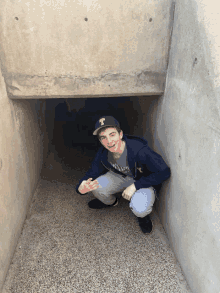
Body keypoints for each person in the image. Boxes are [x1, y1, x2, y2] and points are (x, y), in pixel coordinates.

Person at [76, 116, 171, 234]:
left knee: (140, 208)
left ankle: (143, 217)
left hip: (144, 180)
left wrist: (135, 186)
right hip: (122, 176)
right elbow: (92, 173)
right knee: (95, 186)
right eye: (103, 138)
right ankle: (111, 203)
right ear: (100, 141)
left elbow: (164, 172)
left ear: (120, 134)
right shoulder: (103, 154)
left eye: (112, 134)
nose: (109, 141)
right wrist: (81, 188)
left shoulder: (139, 150)